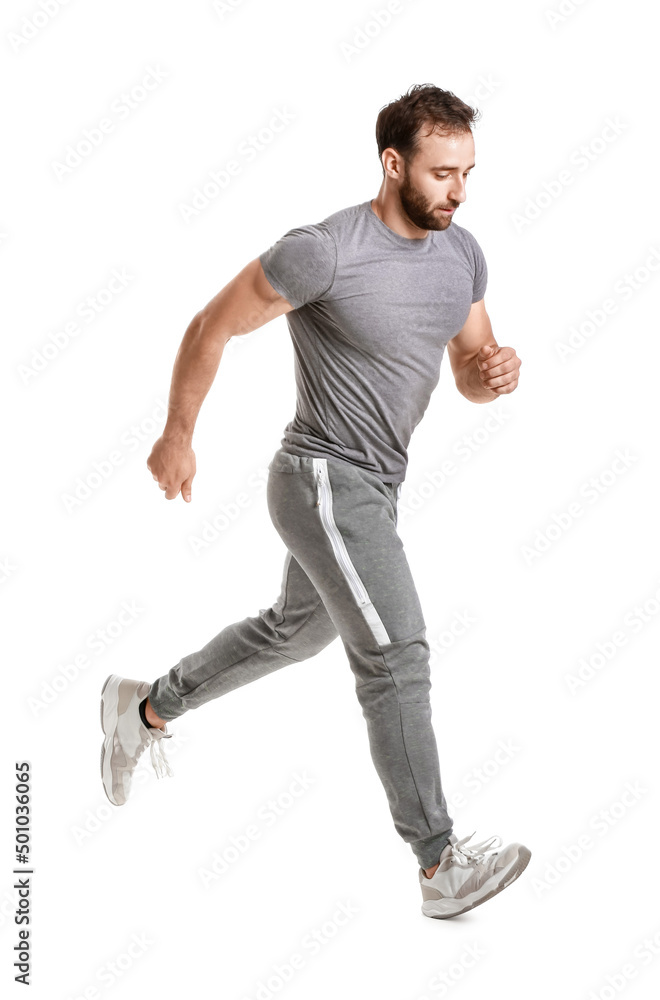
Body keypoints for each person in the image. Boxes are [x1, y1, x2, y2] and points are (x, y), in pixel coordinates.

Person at [100, 83, 530, 919]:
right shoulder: (324, 251)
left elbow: (471, 365)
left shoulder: (462, 254)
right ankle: (439, 864)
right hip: (321, 478)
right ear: (393, 163)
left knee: (292, 633)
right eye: (443, 173)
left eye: (469, 173)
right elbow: (210, 326)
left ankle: (144, 705)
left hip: (377, 486)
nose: (459, 192)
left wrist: (490, 375)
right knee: (396, 655)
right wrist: (178, 434)